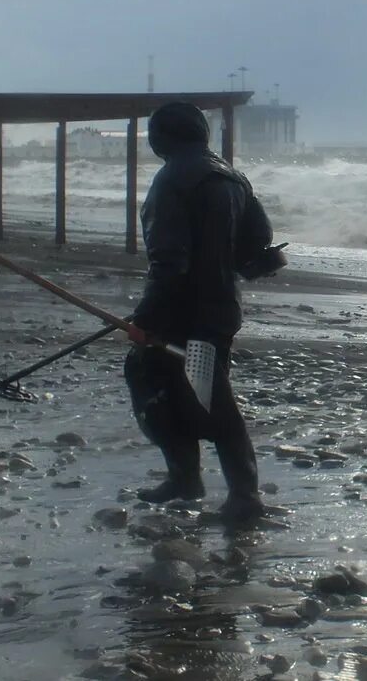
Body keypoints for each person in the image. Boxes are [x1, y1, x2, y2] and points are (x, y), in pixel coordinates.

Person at [123, 101, 273, 525]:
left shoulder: (172, 180)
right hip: (221, 308)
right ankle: (187, 480)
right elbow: (258, 240)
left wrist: (146, 318)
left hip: (183, 312)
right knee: (189, 387)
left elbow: (169, 262)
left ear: (161, 138)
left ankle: (242, 497)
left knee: (200, 394)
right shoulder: (232, 177)